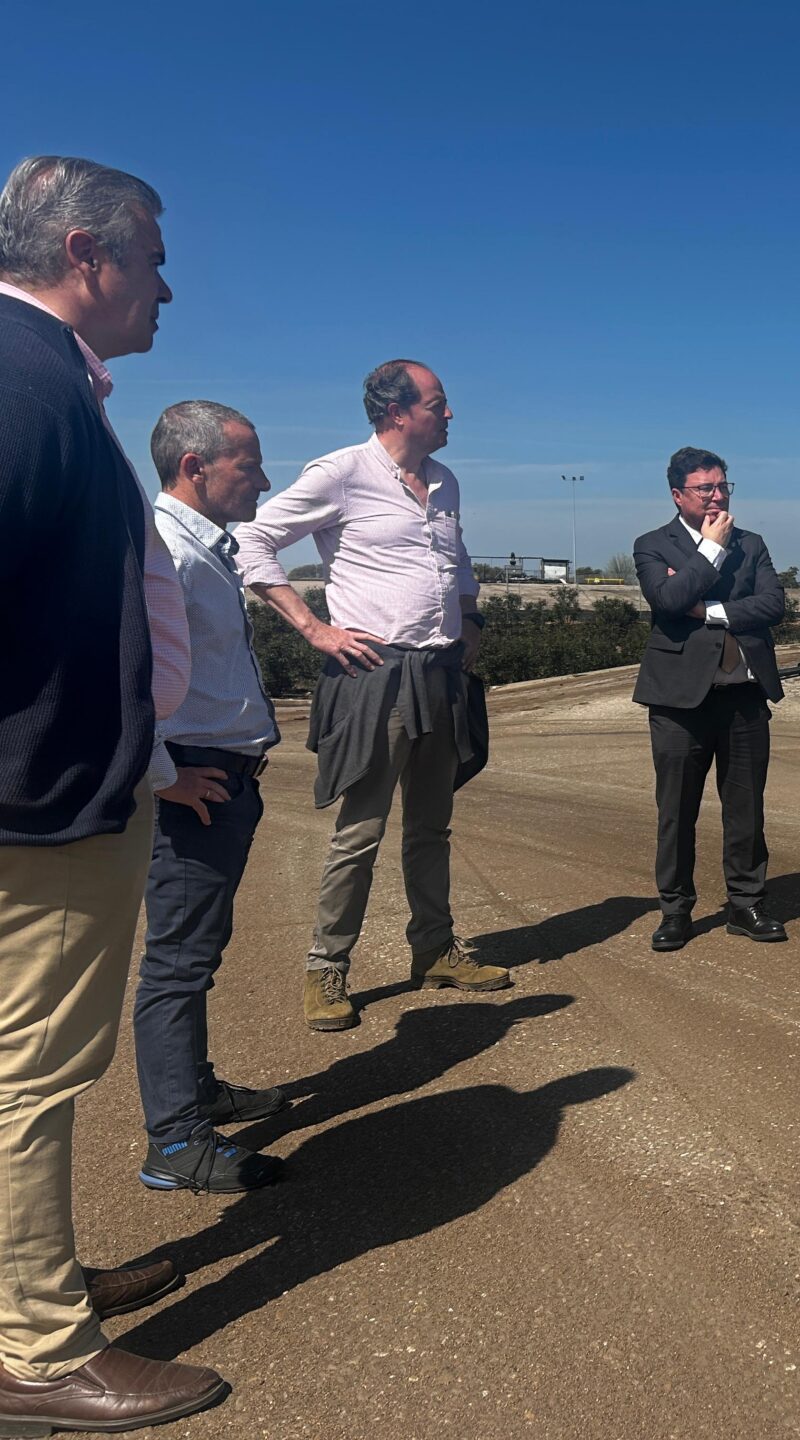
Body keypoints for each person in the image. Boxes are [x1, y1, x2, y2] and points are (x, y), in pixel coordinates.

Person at [0, 154, 229, 1431]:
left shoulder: (40, 381)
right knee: (29, 1076)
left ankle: (21, 1285)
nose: (166, 287)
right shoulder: (23, 383)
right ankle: (34, 1350)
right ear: (86, 255)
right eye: (149, 258)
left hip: (49, 791)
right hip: (34, 809)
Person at [234, 360, 509, 1031]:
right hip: (375, 676)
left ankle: (435, 950)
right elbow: (252, 540)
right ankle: (326, 968)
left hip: (440, 674)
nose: (450, 416)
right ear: (396, 412)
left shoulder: (445, 483)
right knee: (359, 832)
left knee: (431, 826)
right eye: (439, 404)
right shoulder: (342, 472)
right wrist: (313, 628)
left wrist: (469, 618)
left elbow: (459, 560)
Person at [136, 401, 288, 1193]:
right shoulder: (166, 548)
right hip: (195, 778)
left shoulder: (205, 550)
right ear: (196, 467)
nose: (262, 480)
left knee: (199, 950)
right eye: (248, 465)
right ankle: (175, 1143)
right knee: (178, 960)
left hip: (222, 774)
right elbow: (120, 665)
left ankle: (192, 1092)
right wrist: (164, 771)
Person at [632, 448, 788, 951]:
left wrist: (710, 609)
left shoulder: (754, 544)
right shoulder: (652, 545)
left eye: (723, 486)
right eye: (706, 489)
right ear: (678, 494)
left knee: (746, 807)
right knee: (676, 810)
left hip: (743, 695)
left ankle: (746, 903)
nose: (718, 496)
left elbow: (772, 605)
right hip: (679, 702)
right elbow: (669, 601)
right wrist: (710, 552)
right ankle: (675, 910)